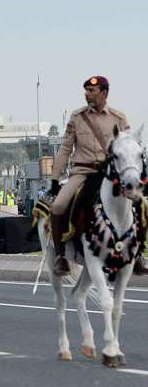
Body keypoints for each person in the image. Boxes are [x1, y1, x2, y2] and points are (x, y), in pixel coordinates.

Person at [48, 76, 143, 276]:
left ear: (104, 93)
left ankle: (137, 254)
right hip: (82, 172)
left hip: (109, 174)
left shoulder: (119, 118)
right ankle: (61, 256)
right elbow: (65, 148)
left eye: (93, 91)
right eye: (86, 91)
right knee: (57, 206)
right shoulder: (77, 117)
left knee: (140, 205)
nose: (88, 95)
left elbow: (128, 147)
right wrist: (55, 179)